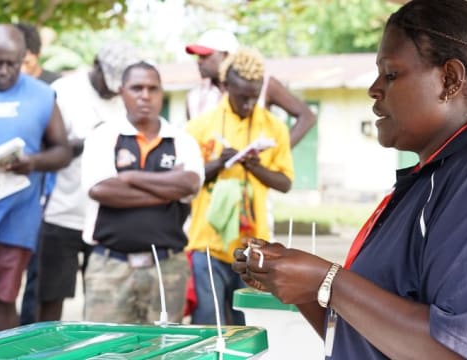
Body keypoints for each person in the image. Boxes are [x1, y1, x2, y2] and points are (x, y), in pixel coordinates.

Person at [233, 0, 467, 359]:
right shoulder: (431, 178)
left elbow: (458, 351)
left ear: (449, 79)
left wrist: (328, 281)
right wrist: (301, 285)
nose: (374, 89)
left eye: (391, 74)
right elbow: (367, 335)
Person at [81, 61, 204, 324]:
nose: (145, 95)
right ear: (122, 91)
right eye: (137, 88)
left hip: (167, 268)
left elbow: (190, 184)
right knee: (105, 350)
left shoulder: (182, 140)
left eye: (153, 88)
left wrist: (130, 177)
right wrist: (166, 189)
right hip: (110, 267)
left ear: (161, 93)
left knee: (163, 349)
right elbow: (102, 189)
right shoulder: (103, 136)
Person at [33, 41, 142, 322]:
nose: (113, 89)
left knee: (102, 302)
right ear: (96, 65)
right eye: (110, 81)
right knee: (51, 298)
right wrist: (89, 140)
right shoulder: (65, 91)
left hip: (106, 220)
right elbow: (45, 149)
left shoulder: (126, 95)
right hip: (61, 214)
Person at [186, 47, 294, 325]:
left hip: (253, 248)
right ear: (224, 86)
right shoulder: (199, 127)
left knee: (248, 325)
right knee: (208, 326)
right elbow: (186, 183)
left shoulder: (274, 127)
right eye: (241, 97)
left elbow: (285, 183)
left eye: (253, 97)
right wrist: (218, 163)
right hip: (207, 243)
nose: (248, 105)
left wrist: (253, 165)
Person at [0, 24, 71, 334]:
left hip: (17, 217)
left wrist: (32, 161)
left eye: (12, 63)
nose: (4, 71)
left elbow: (62, 152)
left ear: (24, 59)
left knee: (4, 298)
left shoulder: (42, 95)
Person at [185, 29, 316, 148]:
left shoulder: (263, 85)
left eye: (204, 56)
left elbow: (307, 117)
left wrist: (279, 152)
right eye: (197, 57)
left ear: (226, 55)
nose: (199, 61)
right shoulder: (194, 97)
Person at [15, 21, 62, 326]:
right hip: (2, 201)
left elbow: (60, 145)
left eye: (23, 61)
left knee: (37, 280)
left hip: (45, 199)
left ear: (34, 56)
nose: (15, 68)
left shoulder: (52, 88)